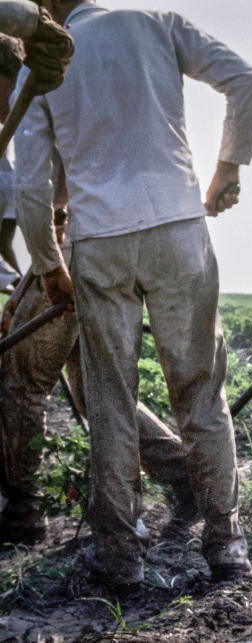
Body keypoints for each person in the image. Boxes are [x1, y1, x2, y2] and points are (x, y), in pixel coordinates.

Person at [15, 0, 252, 588]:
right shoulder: (156, 24)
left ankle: (120, 555)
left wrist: (50, 264)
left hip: (99, 238)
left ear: (44, 6)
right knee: (201, 391)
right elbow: (245, 82)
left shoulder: (39, 62)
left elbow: (30, 184)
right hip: (178, 226)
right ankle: (227, 544)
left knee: (110, 400)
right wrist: (228, 168)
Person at [0, 208, 198, 545]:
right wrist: (22, 289)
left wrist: (45, 270)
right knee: (98, 390)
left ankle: (25, 509)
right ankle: (185, 475)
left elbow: (51, 201)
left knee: (21, 383)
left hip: (67, 255)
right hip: (108, 249)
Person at [0, 35, 21, 284]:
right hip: (14, 179)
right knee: (4, 245)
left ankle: (14, 284)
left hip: (5, 180)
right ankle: (21, 288)